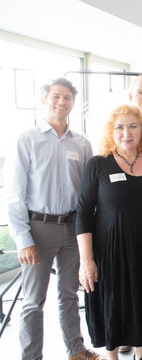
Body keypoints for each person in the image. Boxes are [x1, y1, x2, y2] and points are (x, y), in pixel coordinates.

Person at [5, 78, 103, 360]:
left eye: (67, 98)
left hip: (73, 228)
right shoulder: (27, 140)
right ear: (44, 100)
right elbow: (14, 195)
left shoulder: (82, 143)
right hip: (38, 229)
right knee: (34, 301)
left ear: (73, 103)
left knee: (70, 294)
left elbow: (89, 192)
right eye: (56, 96)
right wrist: (23, 239)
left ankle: (76, 350)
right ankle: (31, 356)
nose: (61, 102)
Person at [76, 105, 142, 360]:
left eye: (133, 126)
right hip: (110, 253)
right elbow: (83, 214)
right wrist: (86, 260)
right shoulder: (98, 165)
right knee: (114, 306)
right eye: (119, 127)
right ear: (111, 132)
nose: (126, 133)